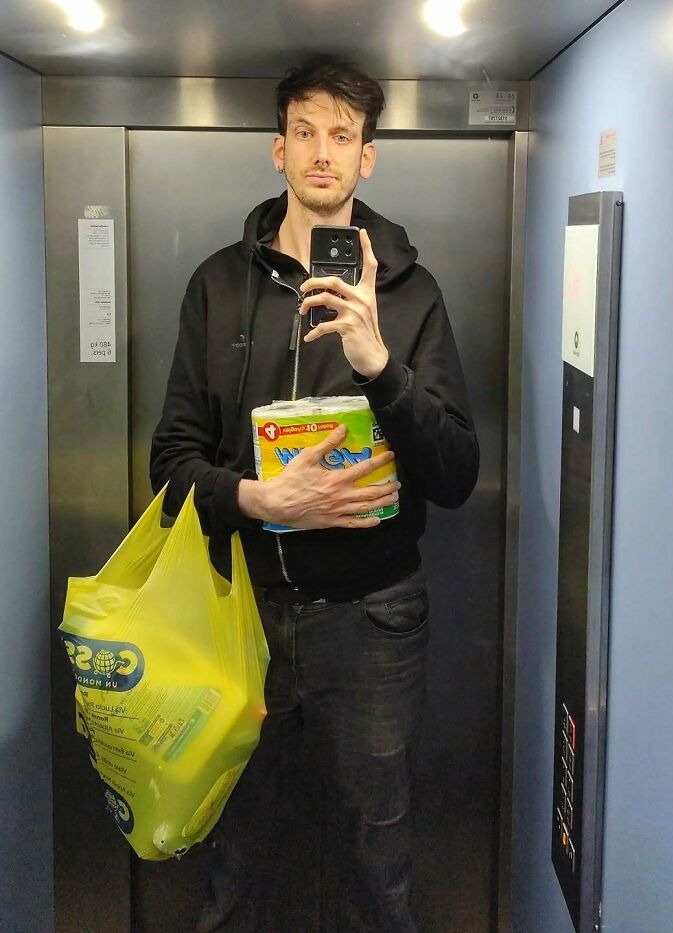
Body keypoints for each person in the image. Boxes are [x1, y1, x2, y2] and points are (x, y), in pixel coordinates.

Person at [150, 55, 479, 933]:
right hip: (240, 616)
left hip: (373, 622)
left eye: (342, 135)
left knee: (380, 857)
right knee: (238, 851)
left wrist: (380, 365)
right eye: (305, 132)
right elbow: (171, 461)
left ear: (367, 156)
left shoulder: (412, 296)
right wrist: (262, 501)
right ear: (277, 149)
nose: (322, 152)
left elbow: (455, 475)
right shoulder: (218, 286)